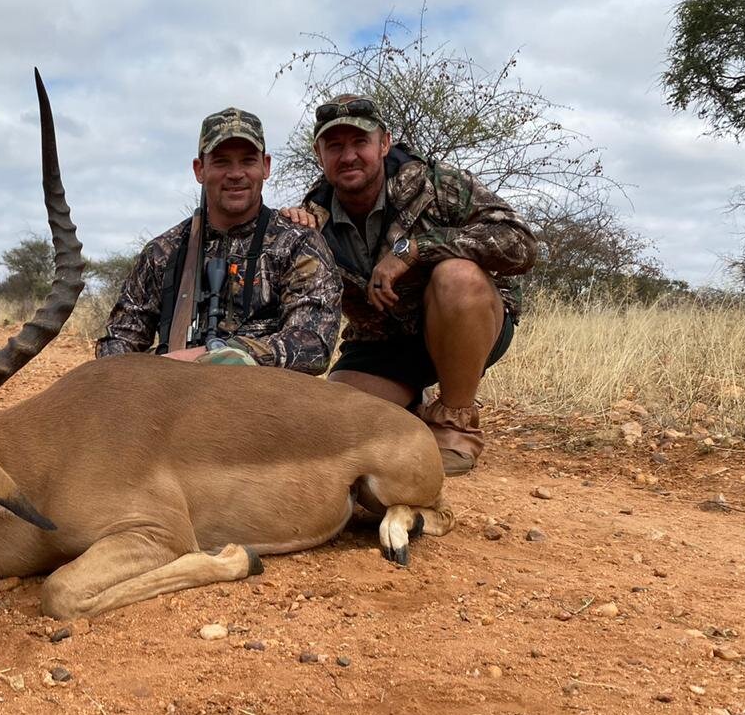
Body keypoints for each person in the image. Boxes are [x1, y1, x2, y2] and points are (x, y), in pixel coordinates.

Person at [282, 94, 537, 475]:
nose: (348, 155)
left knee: (457, 277)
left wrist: (415, 250)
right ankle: (412, 410)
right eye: (334, 146)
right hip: (384, 344)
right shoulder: (311, 221)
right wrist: (287, 235)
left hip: (466, 323)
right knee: (329, 425)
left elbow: (520, 244)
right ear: (320, 156)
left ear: (384, 143)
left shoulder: (438, 184)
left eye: (360, 142)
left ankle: (455, 423)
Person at [96, 107, 340, 374]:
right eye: (222, 162)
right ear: (199, 169)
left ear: (265, 166)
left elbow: (313, 345)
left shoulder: (298, 242)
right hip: (172, 397)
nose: (235, 174)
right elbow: (117, 343)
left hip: (267, 400)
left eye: (247, 161)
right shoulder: (162, 252)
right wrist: (153, 369)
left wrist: (214, 355)